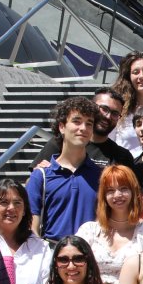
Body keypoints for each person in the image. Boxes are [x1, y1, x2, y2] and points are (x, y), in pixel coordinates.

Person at [28, 97, 104, 241]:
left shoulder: (102, 176)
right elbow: (32, 226)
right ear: (62, 126)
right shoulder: (41, 176)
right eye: (77, 121)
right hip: (51, 254)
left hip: (90, 254)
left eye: (89, 123)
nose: (83, 128)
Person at [76, 164, 143, 284]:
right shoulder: (89, 231)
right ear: (103, 196)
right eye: (110, 190)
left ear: (133, 192)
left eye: (123, 189)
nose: (118, 195)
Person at [31, 88, 136, 171]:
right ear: (92, 106)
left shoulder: (122, 156)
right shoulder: (61, 142)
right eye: (104, 109)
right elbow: (31, 181)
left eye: (115, 113)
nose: (108, 116)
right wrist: (39, 173)